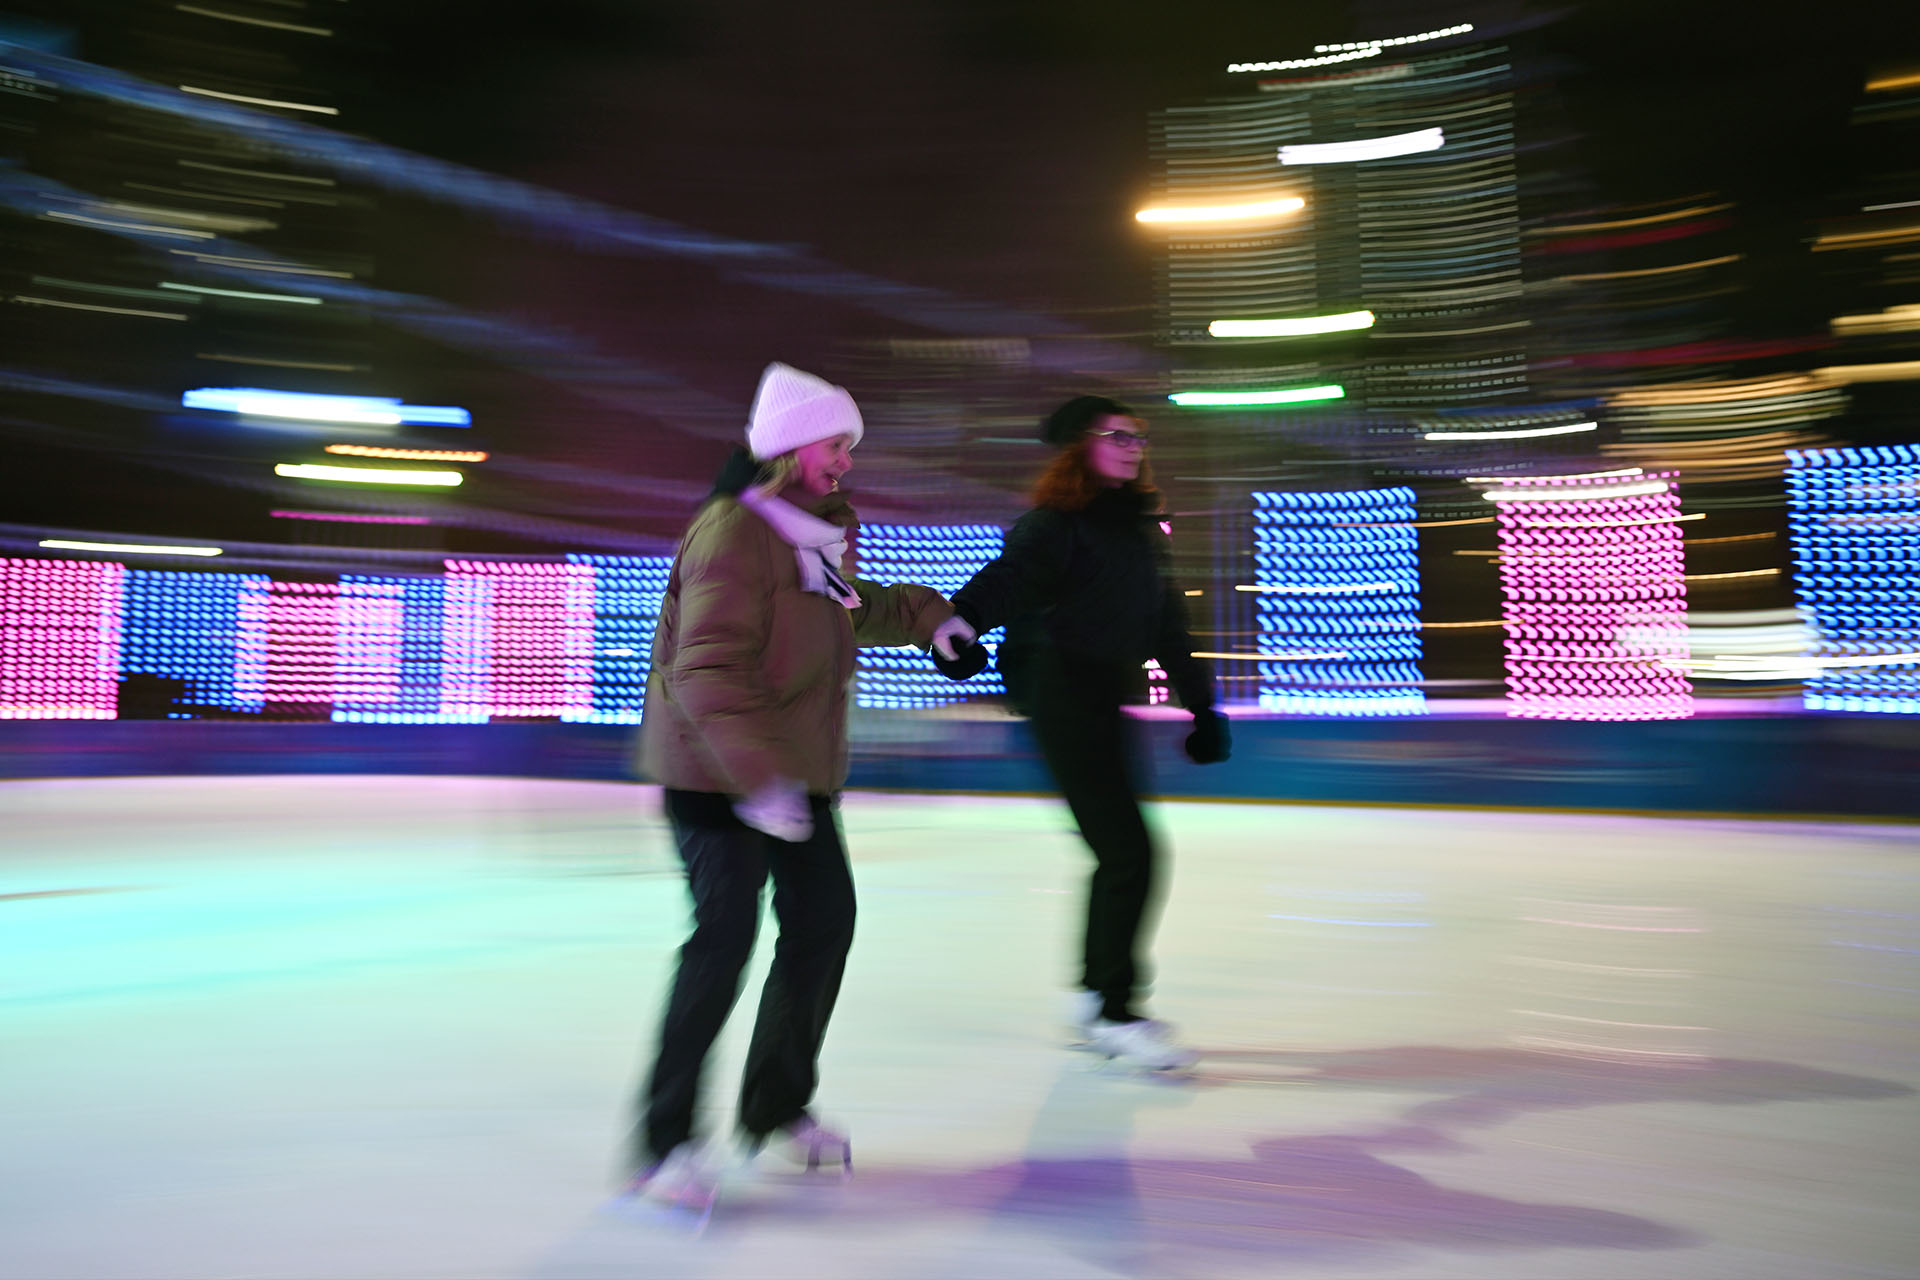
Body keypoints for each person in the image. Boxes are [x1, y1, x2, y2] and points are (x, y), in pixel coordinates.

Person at [627, 361, 956, 1209]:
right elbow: (704, 670)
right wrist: (759, 778)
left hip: (793, 776)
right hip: (717, 777)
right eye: (835, 442)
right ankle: (665, 1143)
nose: (847, 459)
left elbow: (853, 609)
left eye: (849, 446)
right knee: (724, 939)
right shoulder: (733, 533)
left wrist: (933, 622)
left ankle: (774, 1110)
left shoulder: (812, 534)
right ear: (786, 445)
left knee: (821, 929)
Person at [930, 395, 1230, 1071]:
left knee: (1121, 853)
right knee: (1130, 852)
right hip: (1061, 693)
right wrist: (963, 622)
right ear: (1079, 449)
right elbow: (1010, 581)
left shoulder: (1140, 534)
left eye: (1138, 437)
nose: (1133, 445)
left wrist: (1203, 708)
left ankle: (1098, 996)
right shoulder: (1053, 526)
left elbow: (1168, 629)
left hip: (1106, 697)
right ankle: (1113, 1010)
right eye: (1116, 435)